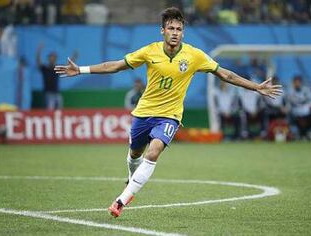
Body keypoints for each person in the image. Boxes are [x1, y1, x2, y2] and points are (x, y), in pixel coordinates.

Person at [54, 7, 282, 218]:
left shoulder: (195, 56)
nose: (175, 33)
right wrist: (81, 69)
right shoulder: (149, 51)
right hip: (144, 113)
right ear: (162, 31)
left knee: (153, 153)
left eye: (179, 29)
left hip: (170, 116)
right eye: (171, 28)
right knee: (135, 155)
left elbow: (226, 75)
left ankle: (120, 202)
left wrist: (256, 87)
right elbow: (114, 66)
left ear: (183, 33)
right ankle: (131, 179)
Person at [288, 75, 311, 140]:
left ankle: (303, 134)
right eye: (296, 82)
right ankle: (303, 134)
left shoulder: (305, 90)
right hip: (296, 112)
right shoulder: (290, 91)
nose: (297, 84)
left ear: (301, 82)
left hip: (305, 112)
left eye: (298, 82)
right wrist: (301, 100)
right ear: (293, 83)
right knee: (299, 121)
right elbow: (292, 101)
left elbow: (308, 98)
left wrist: (300, 100)